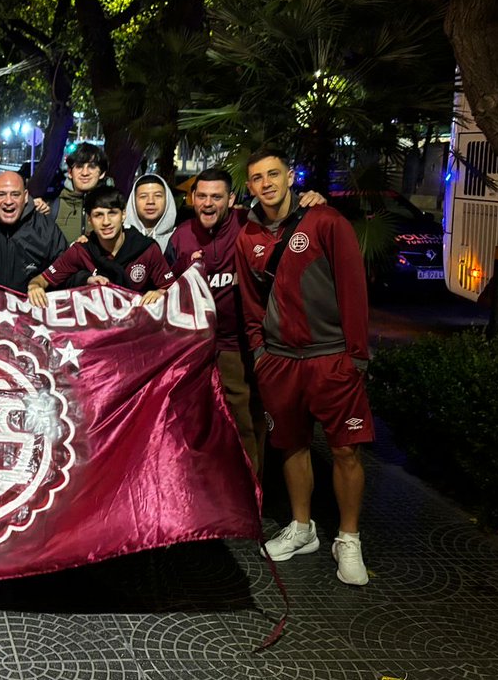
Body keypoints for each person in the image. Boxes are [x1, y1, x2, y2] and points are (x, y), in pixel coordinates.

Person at [234, 147, 374, 587]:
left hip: (330, 357)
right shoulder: (247, 236)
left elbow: (353, 289)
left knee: (346, 450)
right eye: (258, 178)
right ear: (250, 186)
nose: (266, 184)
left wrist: (356, 356)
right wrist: (260, 354)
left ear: (290, 176)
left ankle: (348, 539)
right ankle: (302, 528)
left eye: (273, 174)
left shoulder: (326, 221)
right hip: (279, 361)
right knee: (291, 446)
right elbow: (250, 304)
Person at [169, 168, 328, 477]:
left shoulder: (249, 225)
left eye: (217, 197)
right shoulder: (181, 235)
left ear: (231, 199)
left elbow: (288, 221)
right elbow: (163, 285)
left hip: (236, 346)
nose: (208, 203)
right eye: (202, 196)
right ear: (192, 198)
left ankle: (250, 492)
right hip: (192, 349)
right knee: (195, 425)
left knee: (245, 423)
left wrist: (311, 202)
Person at [28, 186, 172, 307]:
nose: (106, 222)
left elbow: (172, 289)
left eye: (112, 213)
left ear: (123, 215)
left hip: (136, 327)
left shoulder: (147, 249)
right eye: (98, 215)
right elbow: (42, 279)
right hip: (96, 328)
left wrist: (160, 293)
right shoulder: (81, 250)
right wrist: (34, 287)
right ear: (89, 220)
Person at [51, 142, 108, 242]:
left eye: (92, 167)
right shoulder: (55, 206)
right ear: (70, 172)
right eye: (79, 166)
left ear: (102, 173)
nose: (85, 173)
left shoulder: (112, 205)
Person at [124, 173, 177, 252]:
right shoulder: (120, 238)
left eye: (158, 195)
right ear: (133, 202)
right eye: (143, 196)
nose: (150, 201)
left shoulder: (179, 238)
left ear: (167, 200)